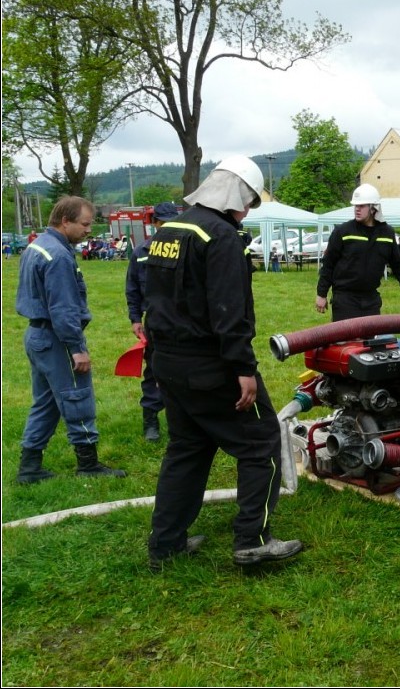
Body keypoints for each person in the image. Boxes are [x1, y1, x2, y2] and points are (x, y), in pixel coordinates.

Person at [144, 156, 302, 571]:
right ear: (236, 194)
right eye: (248, 201)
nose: (247, 211)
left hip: (168, 362)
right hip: (211, 365)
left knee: (187, 449)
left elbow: (154, 303)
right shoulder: (221, 237)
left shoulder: (170, 230)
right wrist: (244, 369)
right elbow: (230, 312)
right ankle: (252, 540)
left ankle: (166, 544)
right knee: (261, 442)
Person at [15, 196, 127, 484]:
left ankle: (29, 468)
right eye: (85, 224)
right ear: (65, 221)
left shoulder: (37, 245)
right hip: (57, 338)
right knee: (76, 397)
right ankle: (88, 464)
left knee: (46, 403)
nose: (89, 230)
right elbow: (63, 308)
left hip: (37, 335)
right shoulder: (59, 256)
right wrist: (77, 349)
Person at [315, 184, 400, 321]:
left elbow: (397, 264)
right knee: (346, 342)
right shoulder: (343, 231)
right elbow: (328, 264)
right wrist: (321, 294)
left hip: (371, 299)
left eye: (362, 206)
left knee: (370, 341)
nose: (357, 209)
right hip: (345, 298)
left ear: (373, 208)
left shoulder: (387, 233)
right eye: (355, 206)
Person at [125, 201, 181, 442]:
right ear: (154, 223)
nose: (167, 227)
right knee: (154, 371)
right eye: (163, 223)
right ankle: (151, 420)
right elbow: (133, 288)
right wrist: (135, 318)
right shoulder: (141, 253)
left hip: (182, 321)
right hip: (155, 322)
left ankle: (182, 421)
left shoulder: (185, 250)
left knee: (183, 370)